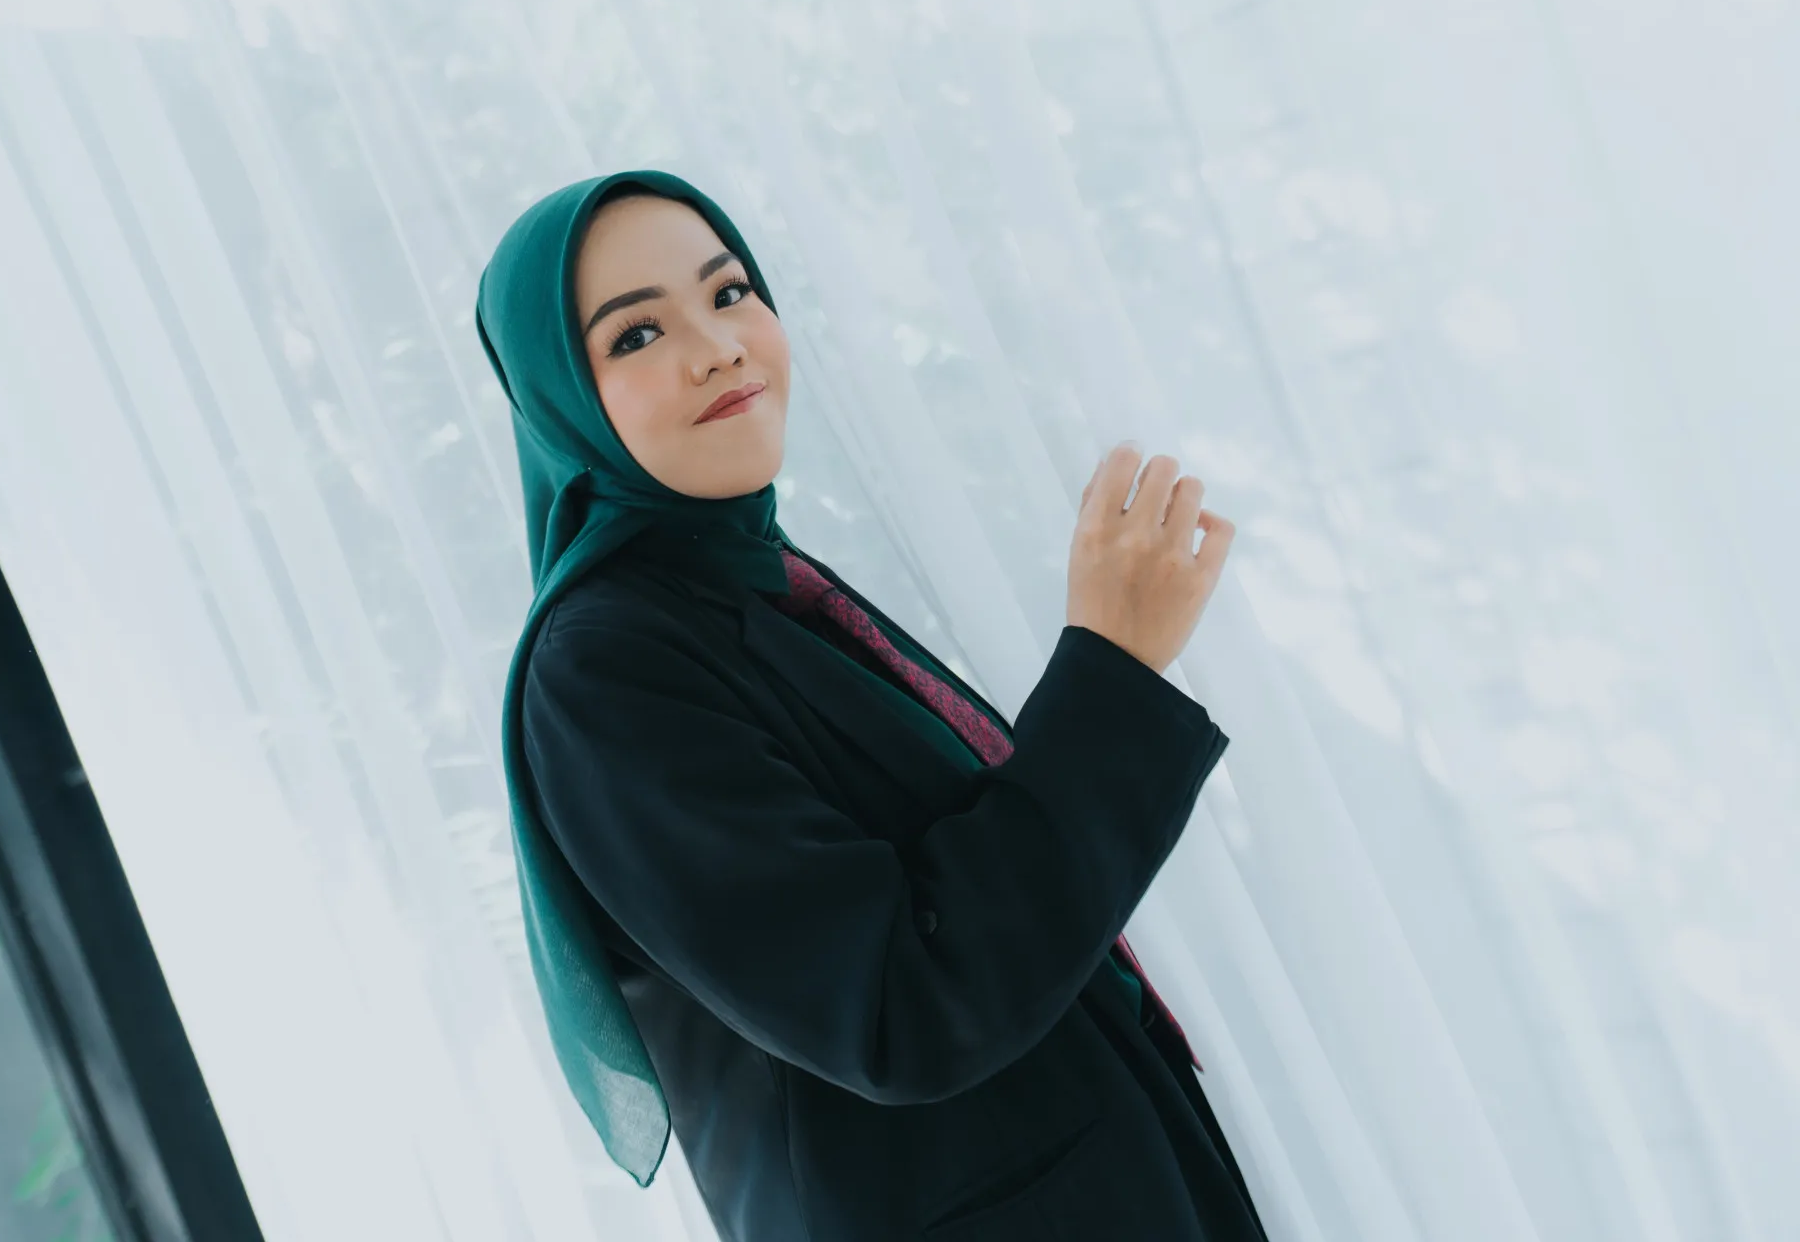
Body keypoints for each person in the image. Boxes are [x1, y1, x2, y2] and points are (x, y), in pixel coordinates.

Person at [474, 169, 1263, 1241]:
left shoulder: (745, 582)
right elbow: (894, 1009)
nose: (719, 347)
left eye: (729, 292)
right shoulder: (602, 672)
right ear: (559, 398)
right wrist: (1113, 668)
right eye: (637, 335)